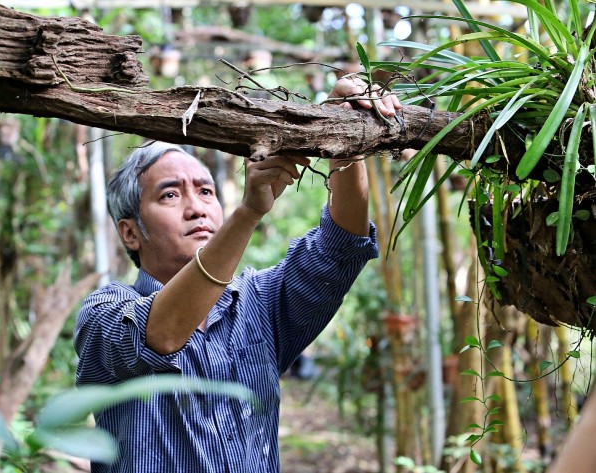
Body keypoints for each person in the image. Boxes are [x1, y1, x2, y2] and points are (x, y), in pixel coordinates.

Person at [74, 78, 401, 473]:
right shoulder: (103, 313)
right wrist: (247, 213)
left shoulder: (260, 302)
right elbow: (161, 334)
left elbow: (342, 244)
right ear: (130, 232)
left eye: (206, 192)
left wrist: (343, 131)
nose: (196, 208)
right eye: (170, 195)